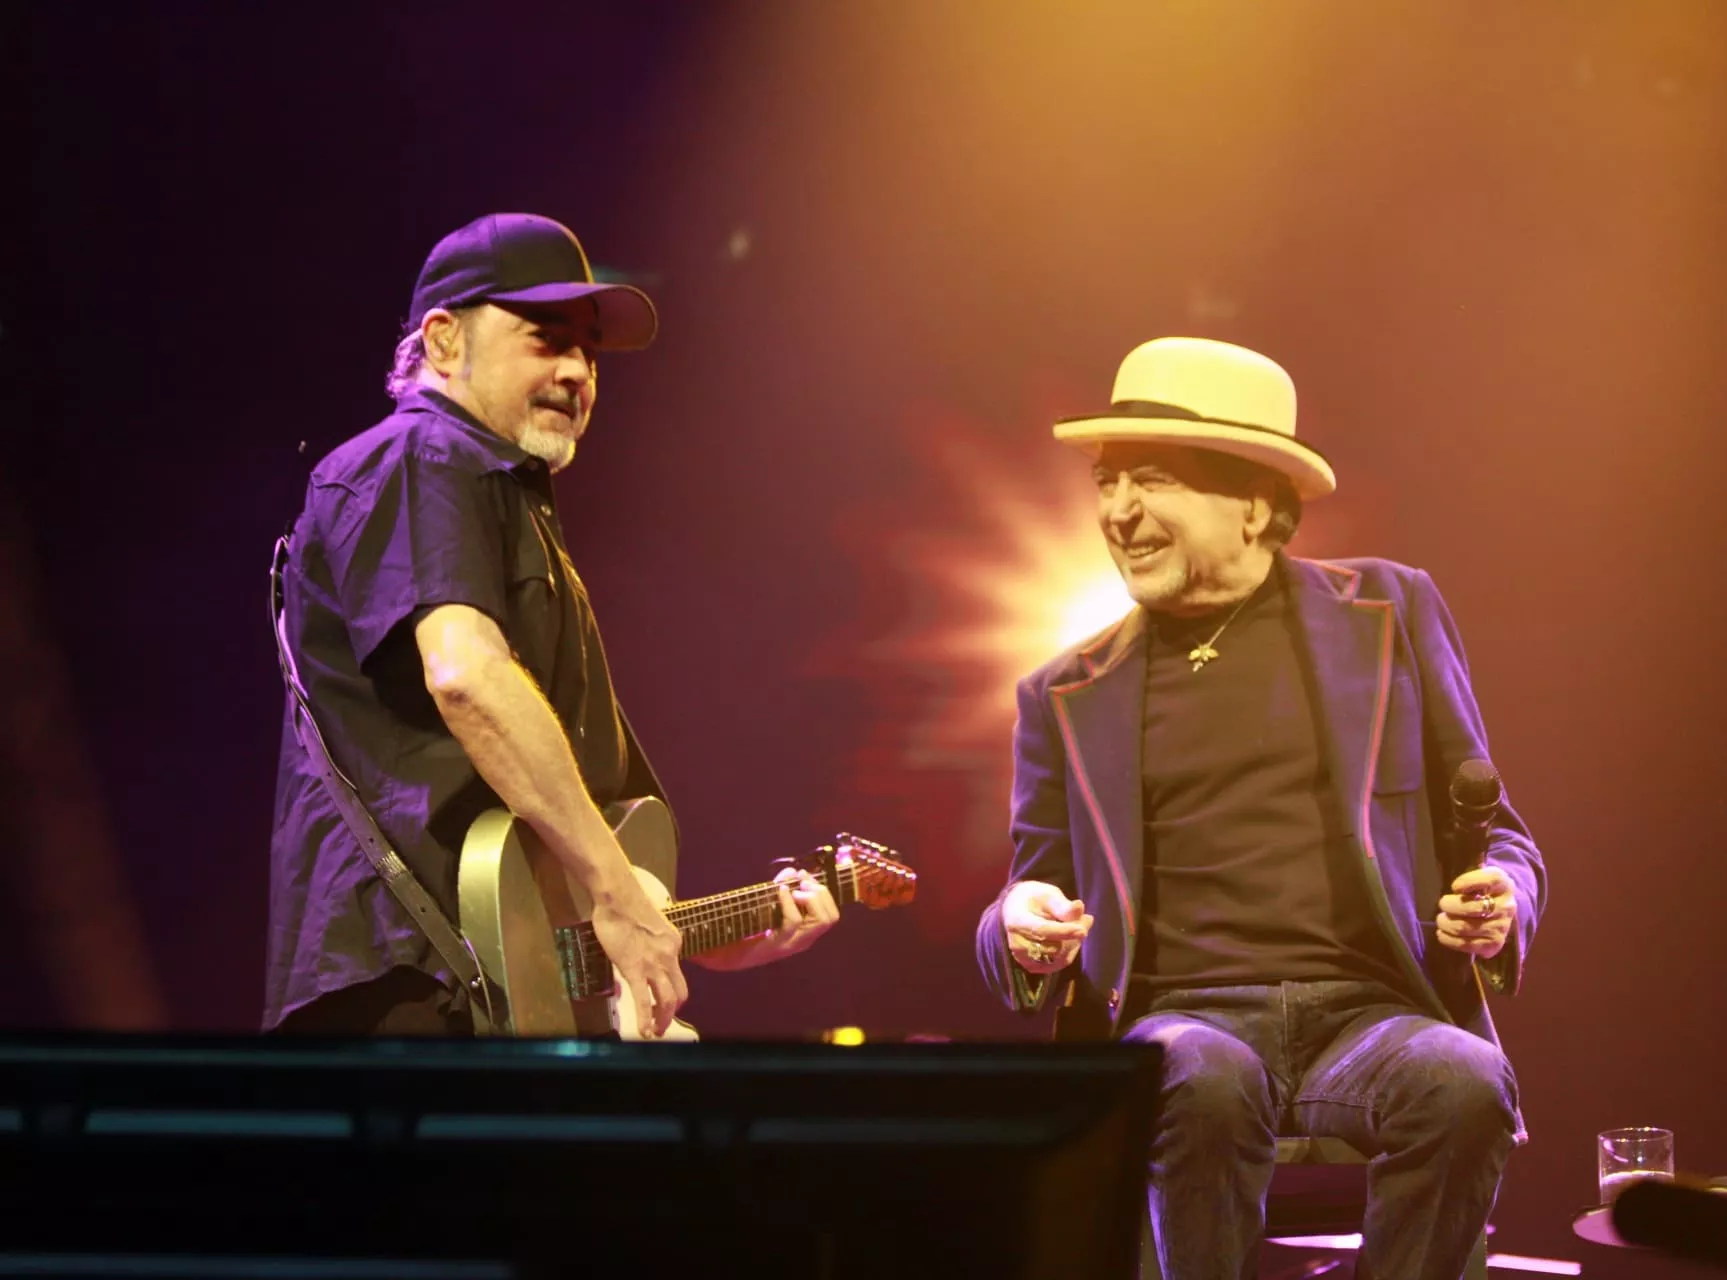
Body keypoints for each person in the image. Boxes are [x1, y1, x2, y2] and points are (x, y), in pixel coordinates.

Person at [974, 337, 1546, 1280]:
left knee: (1464, 1081)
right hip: (1188, 1019)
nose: (1118, 511)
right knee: (1198, 1079)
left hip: (1371, 1018)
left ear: (1253, 504)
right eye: (1108, 482)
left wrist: (1499, 898)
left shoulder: (1393, 613)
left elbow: (1507, 840)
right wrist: (1020, 924)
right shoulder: (1064, 692)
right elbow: (1027, 896)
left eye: (1151, 480)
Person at [266, 213, 837, 1037]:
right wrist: (616, 892)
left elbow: (556, 876)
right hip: (412, 988)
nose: (578, 371)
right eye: (546, 337)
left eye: (590, 350)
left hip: (484, 987)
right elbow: (466, 676)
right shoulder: (425, 455)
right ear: (443, 342)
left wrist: (694, 934)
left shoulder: (506, 495)